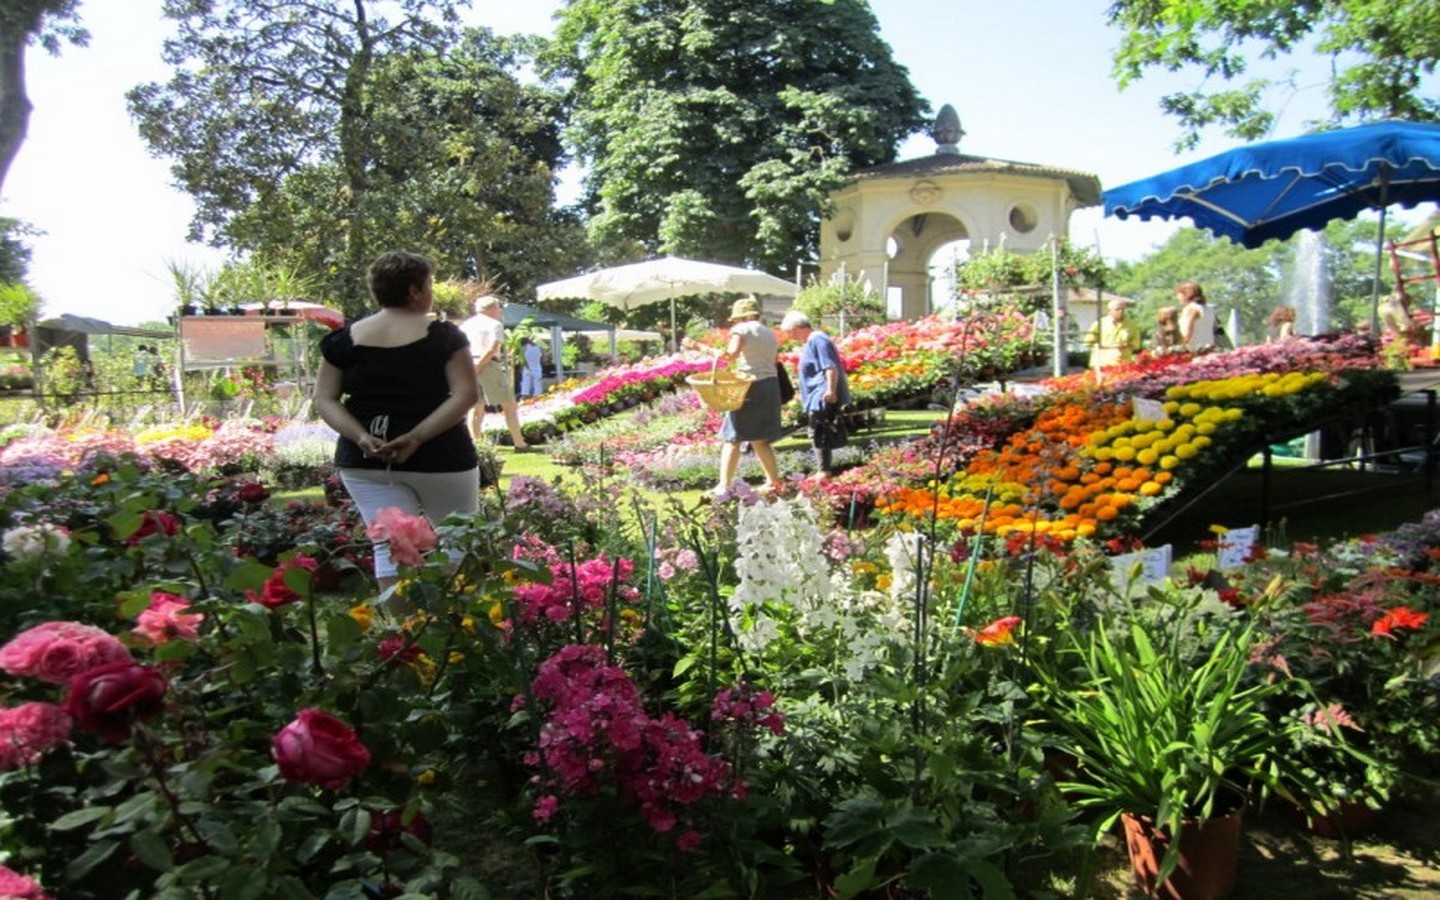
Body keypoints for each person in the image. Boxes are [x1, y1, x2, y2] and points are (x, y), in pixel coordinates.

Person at [312, 250, 480, 591]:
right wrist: (416, 437)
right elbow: (466, 394)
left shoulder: (342, 341)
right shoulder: (444, 336)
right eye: (429, 285)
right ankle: (463, 619)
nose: (430, 292)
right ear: (415, 290)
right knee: (459, 542)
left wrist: (361, 437)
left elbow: (324, 399)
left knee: (390, 550)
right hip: (442, 456)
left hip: (366, 461)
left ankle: (402, 624)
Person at [682, 296, 785, 496]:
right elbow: (773, 362)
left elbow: (729, 355)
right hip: (771, 386)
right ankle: (773, 482)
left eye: (736, 319)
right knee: (760, 439)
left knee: (732, 437)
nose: (734, 322)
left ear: (742, 317)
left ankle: (723, 485)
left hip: (749, 386)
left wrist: (698, 346)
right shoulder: (768, 333)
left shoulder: (742, 329)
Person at [780, 309, 851, 478]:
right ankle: (823, 470)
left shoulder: (818, 339)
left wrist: (830, 390)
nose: (790, 336)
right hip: (817, 393)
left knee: (820, 430)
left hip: (822, 393)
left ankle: (824, 471)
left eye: (790, 332)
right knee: (819, 430)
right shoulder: (813, 341)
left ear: (798, 327)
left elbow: (830, 366)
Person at [459, 294, 532, 451]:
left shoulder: (465, 325)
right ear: (491, 309)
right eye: (499, 308)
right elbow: (493, 348)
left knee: (475, 408)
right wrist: (479, 365)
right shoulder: (494, 324)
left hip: (467, 365)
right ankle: (520, 443)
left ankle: (477, 446)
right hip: (488, 365)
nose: (500, 311)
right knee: (509, 405)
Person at [1083, 298, 1142, 376]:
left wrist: (1125, 345)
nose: (1121, 311)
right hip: (1103, 364)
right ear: (1110, 310)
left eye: (1123, 309)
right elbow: (1088, 342)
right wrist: (1109, 346)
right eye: (1117, 309)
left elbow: (1136, 344)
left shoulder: (1131, 325)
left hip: (1123, 365)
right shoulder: (1099, 324)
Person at [1176, 281, 1218, 350]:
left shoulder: (1191, 309)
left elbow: (1186, 334)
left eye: (1178, 294)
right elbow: (1216, 330)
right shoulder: (1210, 309)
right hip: (1209, 348)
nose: (1177, 297)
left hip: (1194, 349)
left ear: (1185, 294)